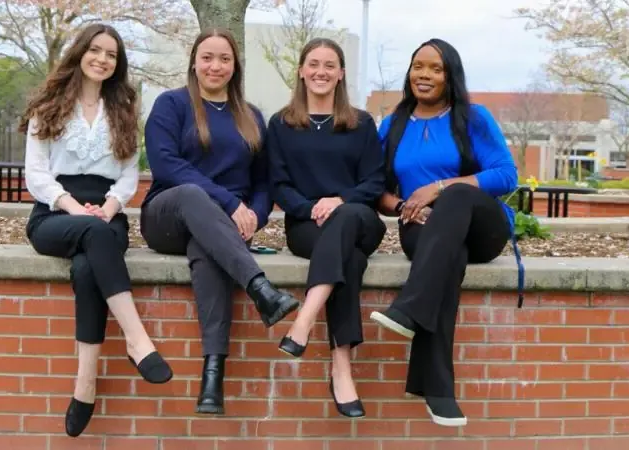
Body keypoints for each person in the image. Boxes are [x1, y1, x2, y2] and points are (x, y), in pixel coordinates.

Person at [19, 24, 173, 438]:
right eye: (96, 50)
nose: (102, 59)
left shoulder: (123, 108)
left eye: (111, 54)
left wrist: (107, 208)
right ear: (81, 52)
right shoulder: (48, 105)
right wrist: (73, 207)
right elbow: (35, 174)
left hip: (107, 214)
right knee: (92, 236)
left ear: (117, 63)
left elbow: (128, 175)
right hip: (54, 212)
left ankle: (85, 383)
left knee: (89, 266)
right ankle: (137, 339)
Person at [141, 28, 300, 416]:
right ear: (194, 62)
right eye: (207, 57)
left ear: (235, 66)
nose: (215, 66)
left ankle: (213, 374)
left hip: (220, 229)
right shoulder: (172, 104)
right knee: (197, 198)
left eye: (224, 59)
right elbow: (166, 165)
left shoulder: (251, 116)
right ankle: (261, 289)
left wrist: (254, 218)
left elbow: (263, 183)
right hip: (168, 214)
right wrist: (231, 204)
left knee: (208, 248)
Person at [369, 38, 520, 428]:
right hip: (423, 229)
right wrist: (402, 206)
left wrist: (439, 187)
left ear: (450, 76)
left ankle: (410, 308)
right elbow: (374, 189)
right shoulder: (393, 125)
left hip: (481, 227)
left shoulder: (473, 117)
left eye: (436, 68)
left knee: (454, 196)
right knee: (445, 257)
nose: (425, 74)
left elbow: (506, 175)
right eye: (419, 66)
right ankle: (438, 391)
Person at [267, 38, 385, 418]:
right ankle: (341, 366)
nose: (321, 71)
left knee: (348, 217)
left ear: (341, 74)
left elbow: (375, 181)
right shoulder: (281, 124)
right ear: (301, 70)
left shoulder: (362, 123)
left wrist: (340, 200)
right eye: (313, 64)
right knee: (347, 260)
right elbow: (278, 184)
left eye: (329, 65)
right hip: (306, 226)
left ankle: (304, 319)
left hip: (359, 219)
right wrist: (310, 208)